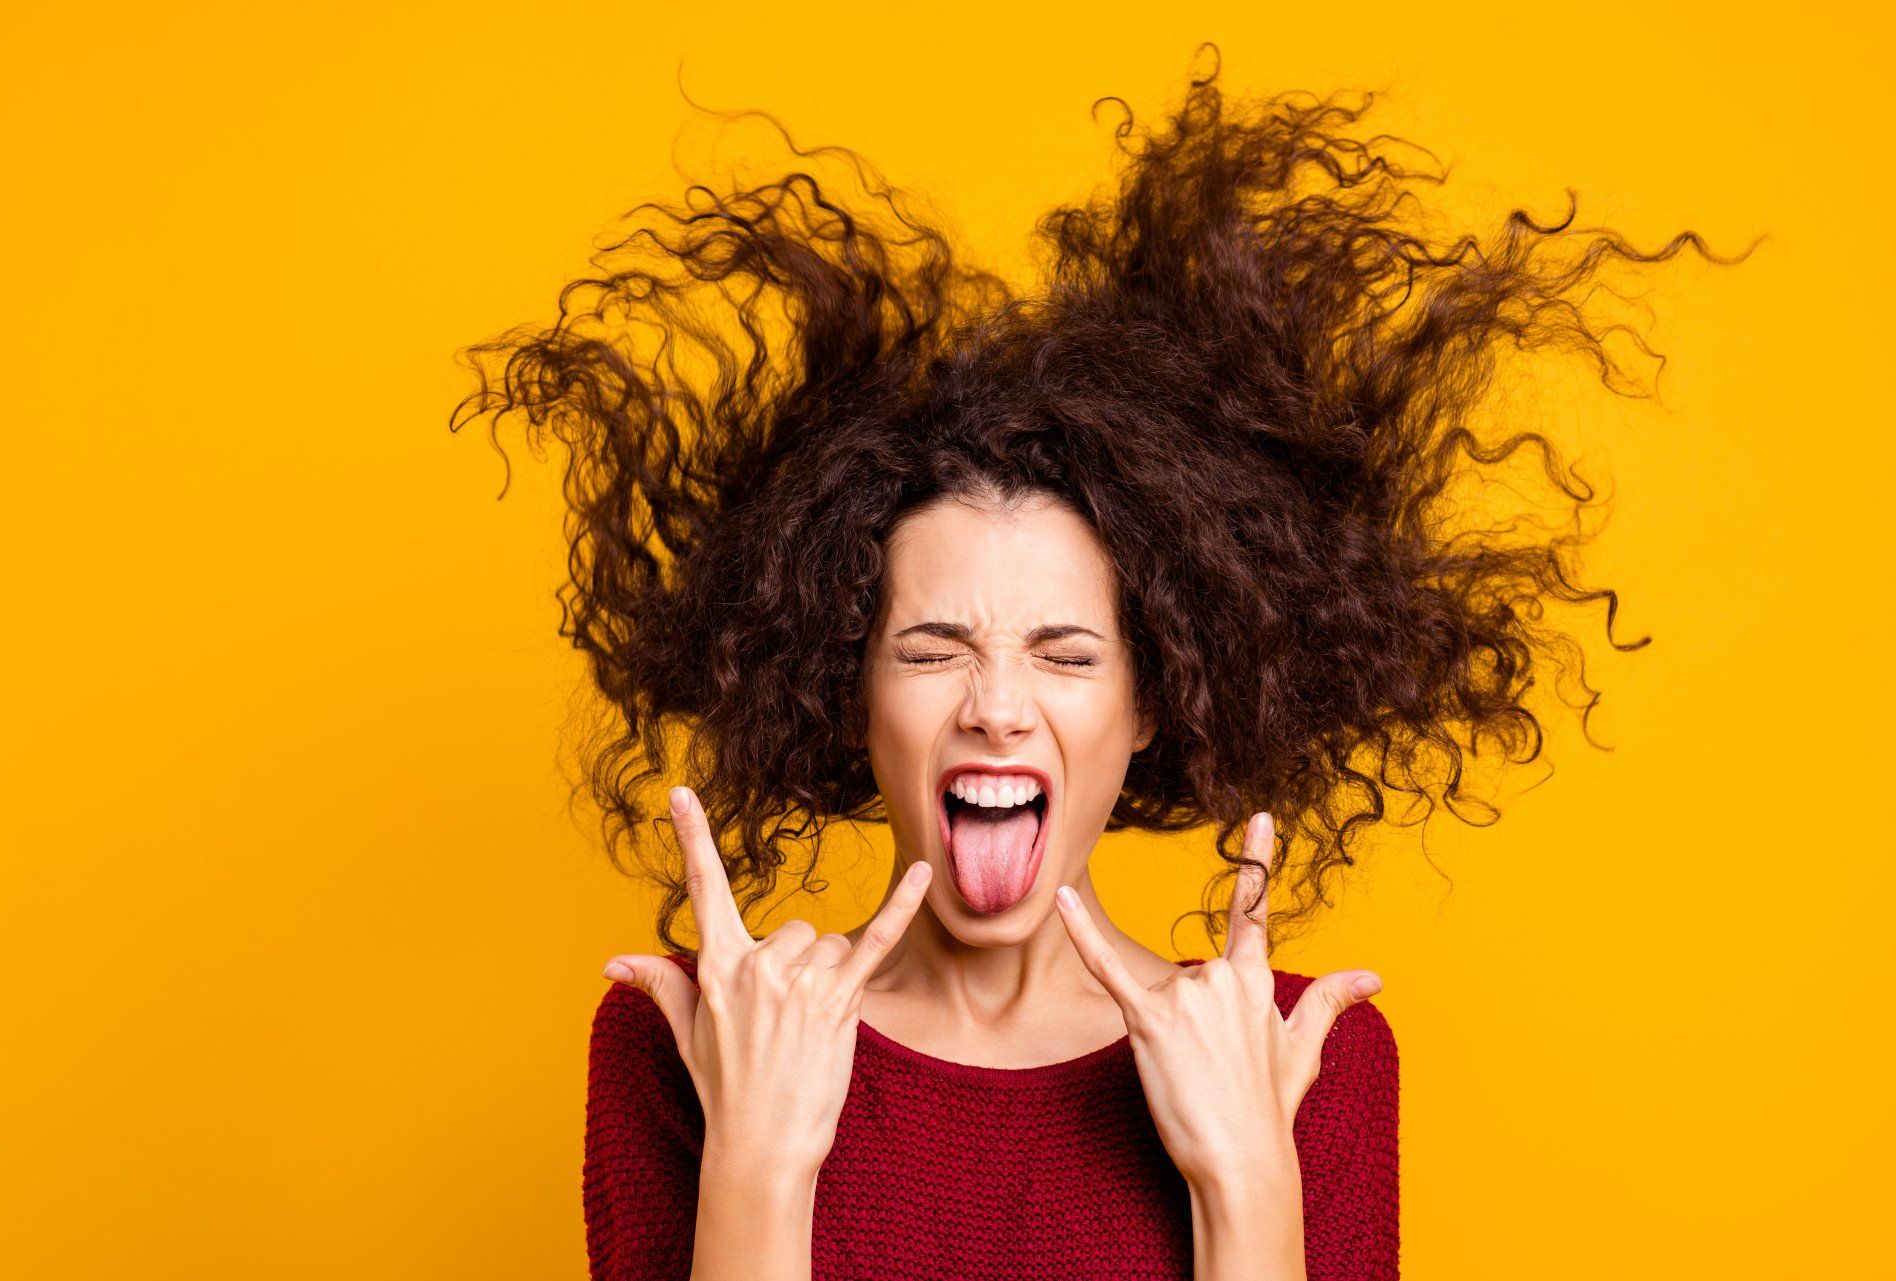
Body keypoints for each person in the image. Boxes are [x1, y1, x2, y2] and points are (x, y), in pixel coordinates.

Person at [449, 42, 1748, 1281]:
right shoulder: (696, 1035)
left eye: (1066, 653)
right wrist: (762, 1165)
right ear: (848, 688)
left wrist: (1245, 1175)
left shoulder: (1303, 1057)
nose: (998, 705)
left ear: (1152, 703)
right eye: (933, 645)